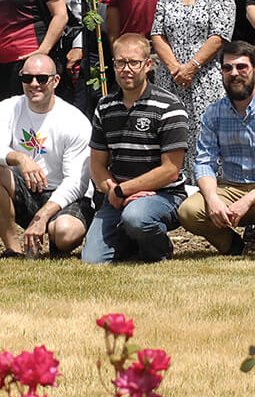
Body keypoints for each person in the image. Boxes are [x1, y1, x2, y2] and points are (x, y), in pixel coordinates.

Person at [177, 42, 255, 258]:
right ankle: (233, 246)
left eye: (242, 67)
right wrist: (213, 199)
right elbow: (204, 162)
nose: (234, 73)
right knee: (188, 212)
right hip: (230, 187)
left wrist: (248, 200)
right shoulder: (213, 113)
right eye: (228, 68)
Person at [80, 33, 190, 264]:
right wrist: (112, 190)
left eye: (134, 63)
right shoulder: (105, 107)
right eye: (120, 63)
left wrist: (123, 190)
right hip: (117, 196)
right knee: (92, 260)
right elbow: (97, 165)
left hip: (164, 194)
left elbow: (170, 170)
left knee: (136, 217)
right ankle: (132, 240)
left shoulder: (169, 106)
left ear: (148, 65)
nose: (126, 69)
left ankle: (159, 250)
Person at [0, 53, 92, 256]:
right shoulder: (9, 107)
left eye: (41, 78)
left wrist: (42, 216)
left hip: (65, 196)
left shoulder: (74, 120)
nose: (34, 84)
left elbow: (77, 182)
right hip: (28, 189)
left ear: (55, 81)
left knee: (65, 233)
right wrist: (20, 158)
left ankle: (56, 239)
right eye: (27, 78)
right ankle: (13, 250)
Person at [149, 0, 234, 157]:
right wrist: (176, 68)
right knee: (171, 138)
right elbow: (157, 34)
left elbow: (220, 35)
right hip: (170, 79)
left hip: (205, 80)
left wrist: (192, 67)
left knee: (205, 141)